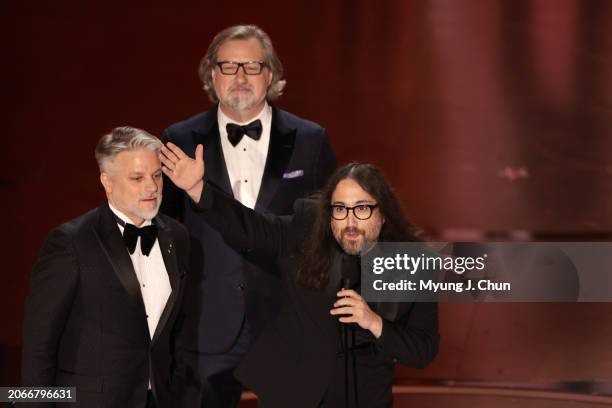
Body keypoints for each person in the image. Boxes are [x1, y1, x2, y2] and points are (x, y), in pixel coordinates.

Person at [159, 143, 439, 408]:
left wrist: (374, 322)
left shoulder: (412, 263)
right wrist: (198, 189)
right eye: (340, 210)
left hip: (363, 397)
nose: (350, 222)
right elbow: (251, 228)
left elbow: (423, 350)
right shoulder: (305, 230)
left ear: (384, 214)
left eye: (362, 208)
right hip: (292, 393)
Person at [160, 24, 336, 407]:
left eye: (252, 67)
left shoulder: (311, 140)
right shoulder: (179, 138)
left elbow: (328, 232)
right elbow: (163, 234)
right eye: (229, 66)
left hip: (288, 323)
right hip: (206, 326)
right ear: (212, 75)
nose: (240, 77)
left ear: (269, 75)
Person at [21, 127, 190, 408]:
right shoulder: (70, 242)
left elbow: (179, 328)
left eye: (156, 175)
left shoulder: (178, 237)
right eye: (137, 178)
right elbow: (39, 341)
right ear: (107, 182)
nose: (152, 187)